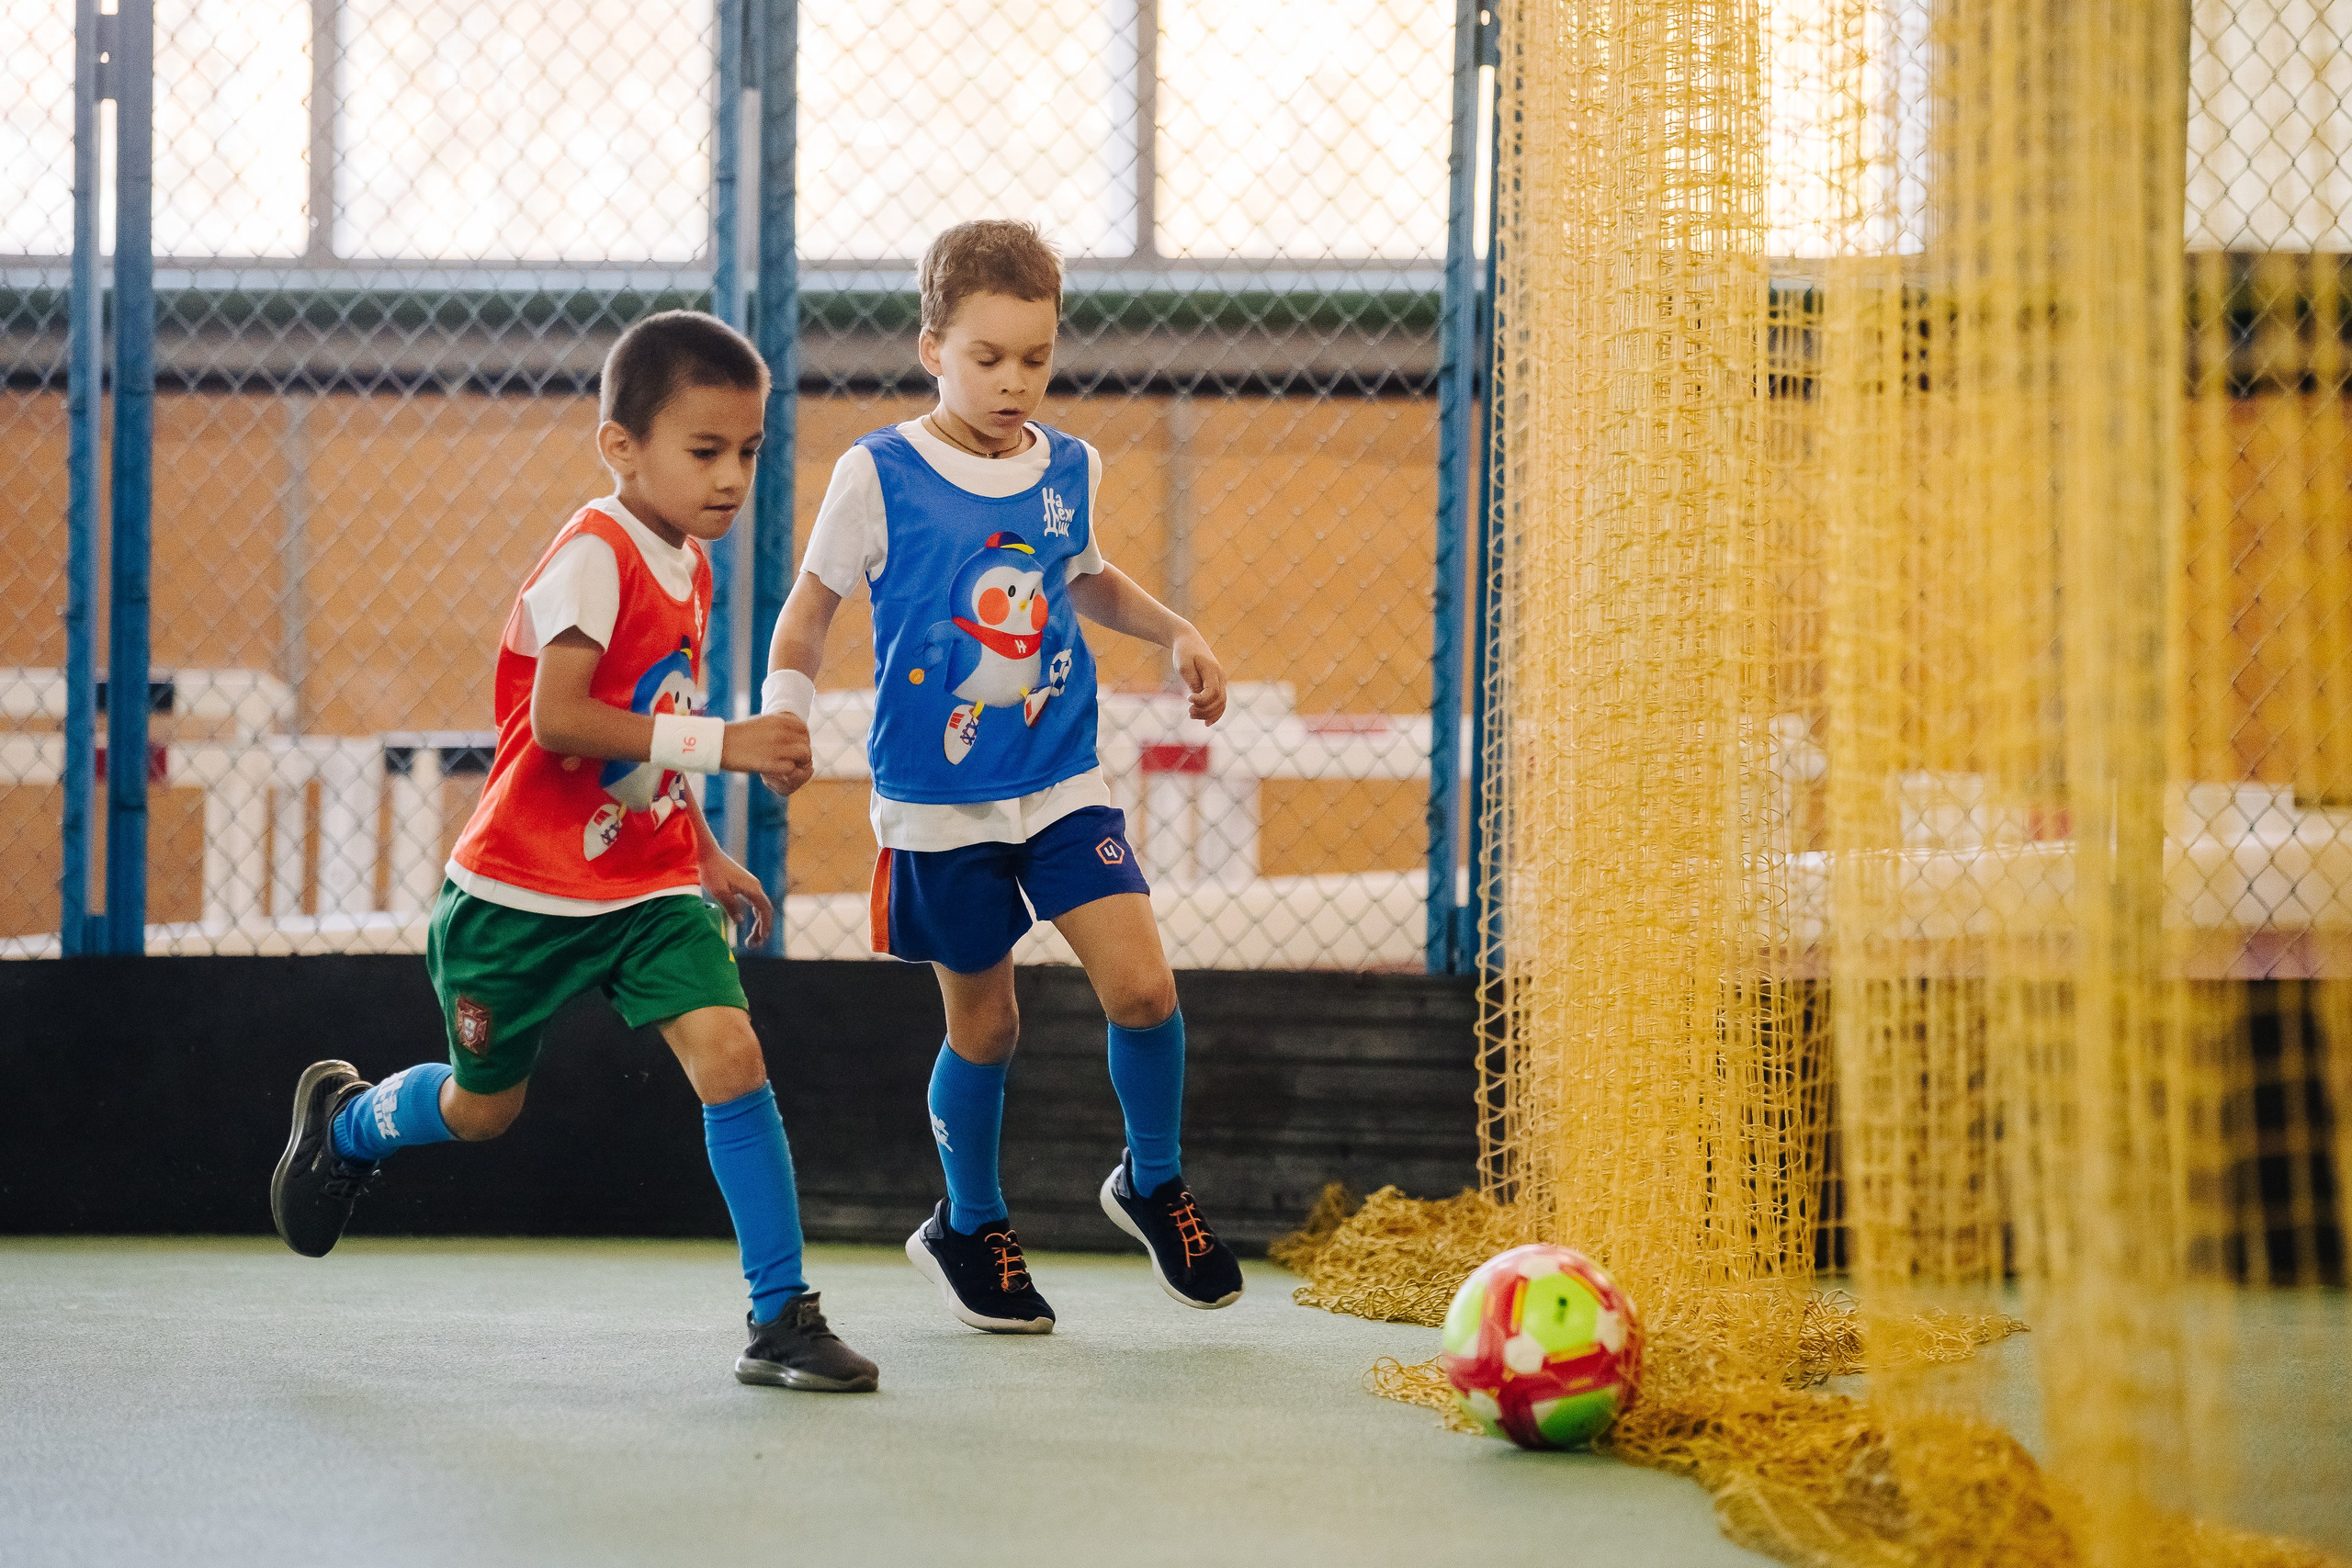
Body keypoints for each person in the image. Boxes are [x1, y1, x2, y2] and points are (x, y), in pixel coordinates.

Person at [267, 310, 877, 1393]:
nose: (732, 477)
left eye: (747, 452)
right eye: (705, 452)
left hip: (644, 890)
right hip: (517, 895)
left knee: (733, 1058)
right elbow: (560, 721)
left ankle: (781, 1316)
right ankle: (350, 1125)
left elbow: (650, 727)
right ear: (621, 447)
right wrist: (729, 746)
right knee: (481, 1108)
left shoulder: (685, 562)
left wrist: (700, 847)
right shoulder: (595, 552)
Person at [759, 220, 1245, 1335]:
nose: (1014, 380)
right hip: (940, 804)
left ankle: (1152, 1180)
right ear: (933, 346)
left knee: (1145, 991)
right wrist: (786, 713)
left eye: (1035, 356)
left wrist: (1176, 632)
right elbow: (810, 609)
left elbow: (1082, 575)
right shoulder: (875, 472)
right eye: (987, 357)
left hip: (1061, 778)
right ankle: (968, 1222)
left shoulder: (1067, 464)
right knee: (987, 1028)